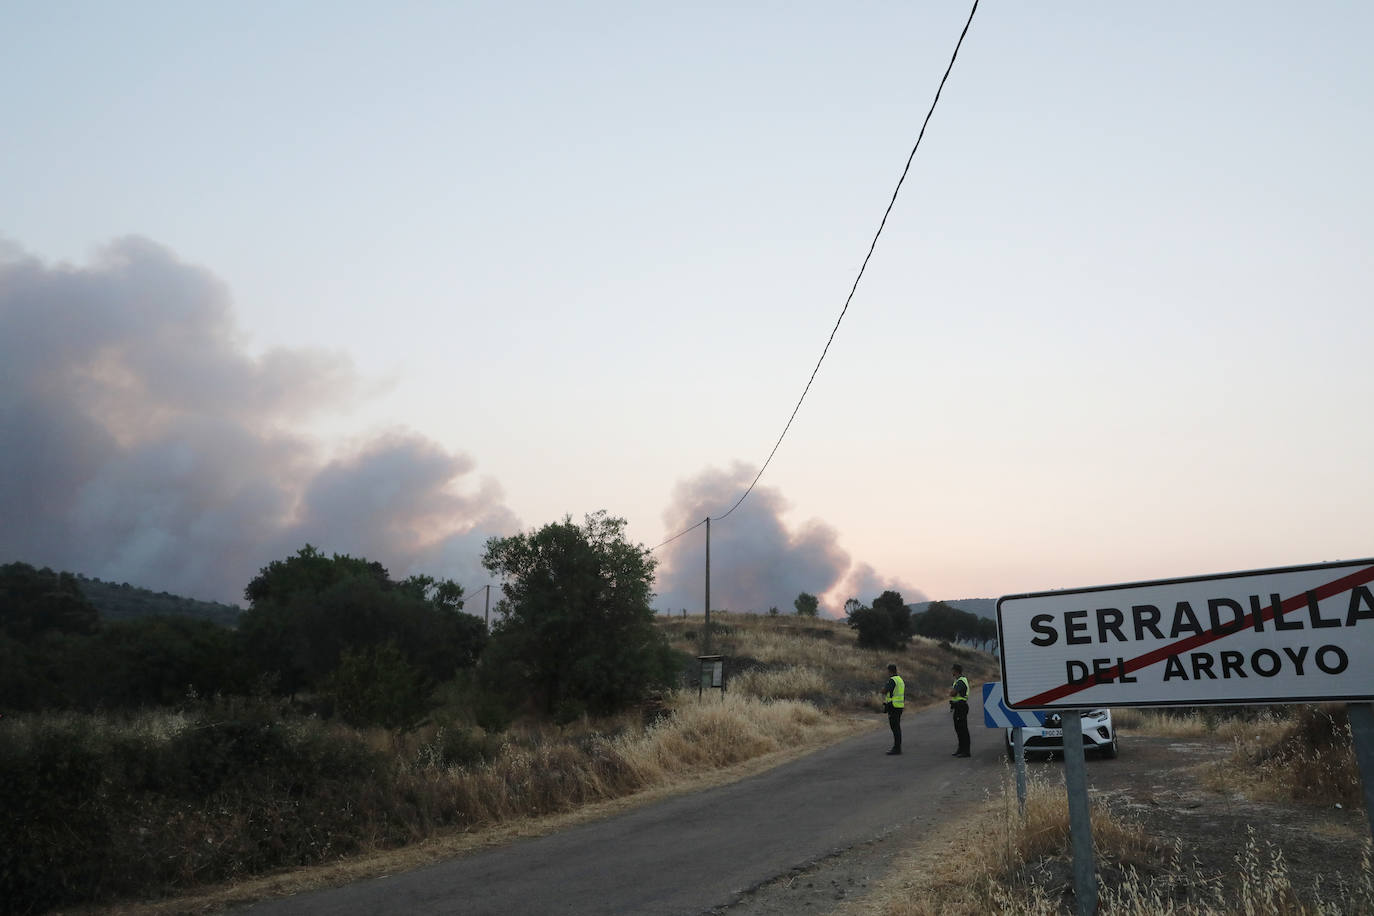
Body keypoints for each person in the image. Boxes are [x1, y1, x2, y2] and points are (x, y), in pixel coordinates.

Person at [883, 663, 905, 755]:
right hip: (899, 706)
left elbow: (885, 690)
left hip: (893, 706)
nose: (887, 673)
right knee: (897, 728)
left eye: (887, 671)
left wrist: (883, 689)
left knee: (895, 728)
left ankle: (897, 748)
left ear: (890, 671)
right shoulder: (900, 680)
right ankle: (897, 747)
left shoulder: (892, 680)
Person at [949, 663, 971, 757]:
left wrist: (952, 692)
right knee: (959, 729)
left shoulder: (961, 681)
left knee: (962, 730)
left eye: (952, 670)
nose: (951, 672)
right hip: (958, 707)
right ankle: (961, 749)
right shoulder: (958, 680)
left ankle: (965, 751)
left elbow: (953, 693)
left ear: (956, 671)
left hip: (961, 707)